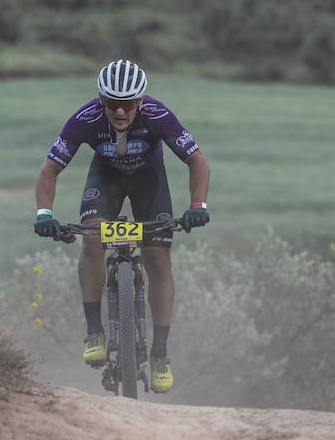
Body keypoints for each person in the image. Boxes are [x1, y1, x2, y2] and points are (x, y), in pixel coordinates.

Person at [32, 59, 211, 393]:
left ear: (140, 101)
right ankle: (95, 333)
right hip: (106, 178)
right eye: (112, 104)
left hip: (149, 181)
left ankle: (160, 354)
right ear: (101, 100)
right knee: (91, 240)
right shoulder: (84, 119)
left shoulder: (158, 115)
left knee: (158, 260)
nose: (119, 112)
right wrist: (44, 214)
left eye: (127, 104)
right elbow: (49, 170)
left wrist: (197, 206)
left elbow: (197, 161)